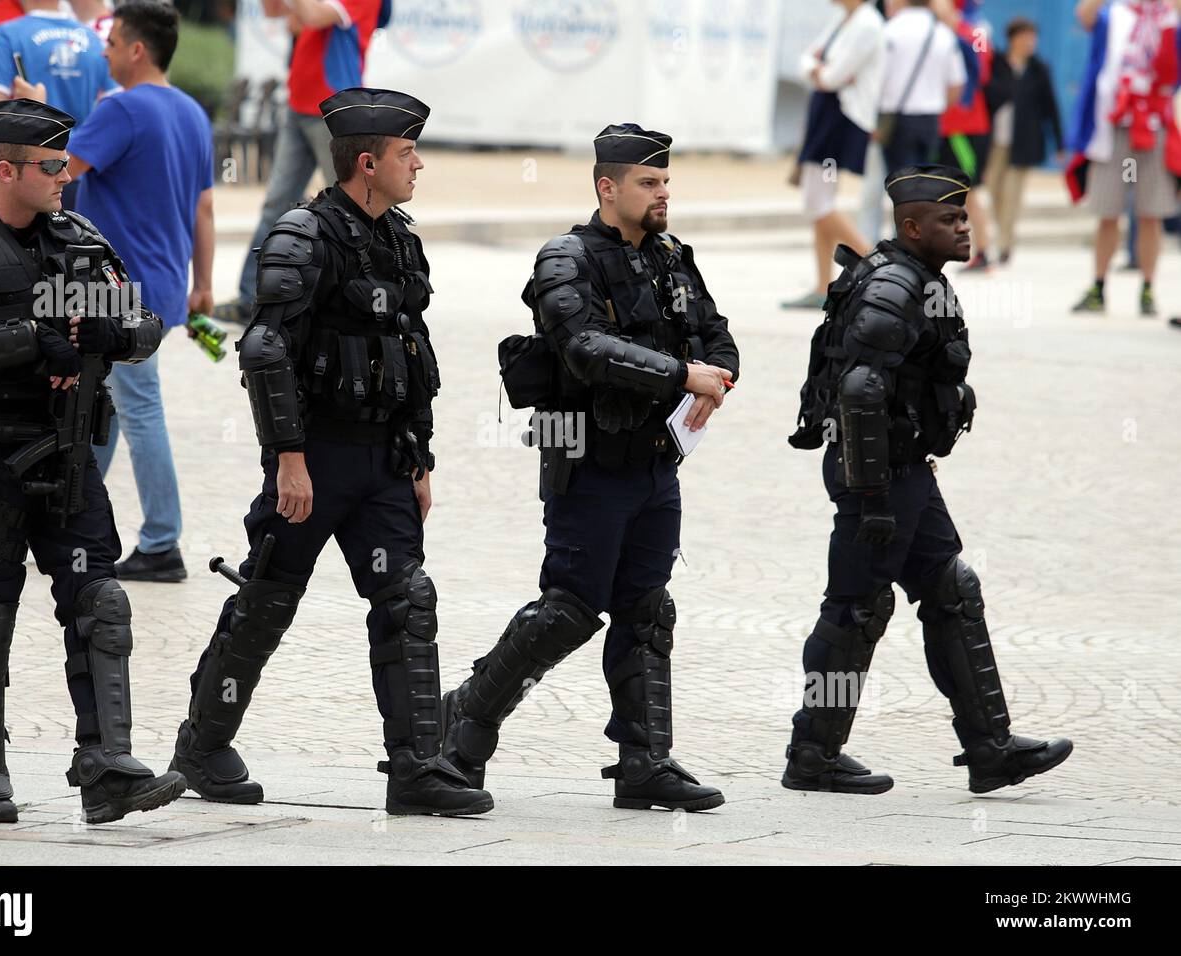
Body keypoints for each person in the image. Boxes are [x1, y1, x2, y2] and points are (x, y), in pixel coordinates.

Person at [170, 87, 493, 818]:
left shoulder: (400, 240)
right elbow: (264, 347)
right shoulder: (302, 236)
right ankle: (202, 745)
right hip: (313, 460)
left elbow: (412, 351)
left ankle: (415, 768)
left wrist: (420, 458)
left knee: (407, 600)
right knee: (266, 600)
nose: (420, 167)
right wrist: (288, 457)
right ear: (368, 162)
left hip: (383, 461)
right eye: (409, 155)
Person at [0, 98, 185, 823]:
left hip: (71, 457)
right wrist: (32, 336)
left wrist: (101, 336)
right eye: (52, 166)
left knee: (102, 606)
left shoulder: (78, 240)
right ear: (4, 169)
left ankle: (106, 767)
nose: (66, 176)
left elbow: (144, 324)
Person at [439, 125, 739, 813]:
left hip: (657, 465)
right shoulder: (565, 258)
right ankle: (465, 726)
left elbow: (716, 335)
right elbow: (583, 348)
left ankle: (645, 763)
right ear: (608, 187)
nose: (662, 193)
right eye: (647, 183)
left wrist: (718, 377)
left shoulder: (670, 257)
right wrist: (682, 374)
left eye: (666, 182)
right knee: (570, 608)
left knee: (647, 607)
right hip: (588, 461)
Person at [783, 164, 1073, 795]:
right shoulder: (894, 287)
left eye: (965, 216)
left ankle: (991, 749)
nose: (965, 229)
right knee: (857, 608)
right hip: (879, 474)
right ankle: (812, 755)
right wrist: (873, 494)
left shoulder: (921, 278)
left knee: (951, 589)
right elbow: (858, 391)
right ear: (912, 227)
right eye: (950, 220)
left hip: (905, 468)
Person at [66, 1, 214, 582]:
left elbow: (59, 170)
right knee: (107, 402)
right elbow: (205, 205)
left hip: (119, 289)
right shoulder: (192, 113)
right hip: (167, 285)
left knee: (136, 404)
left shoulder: (122, 110)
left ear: (136, 49)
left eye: (111, 42)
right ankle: (72, 512)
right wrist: (203, 284)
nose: (103, 52)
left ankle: (161, 541)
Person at [214, 0, 384, 325]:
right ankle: (251, 297)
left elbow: (311, 15)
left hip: (335, 110)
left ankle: (369, 297)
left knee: (351, 209)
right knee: (277, 204)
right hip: (299, 103)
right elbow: (278, 13)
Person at [0, 0, 116, 213]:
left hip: (32, 176)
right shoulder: (93, 39)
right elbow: (113, 112)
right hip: (79, 175)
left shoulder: (8, 34)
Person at [1069, 0, 1181, 317]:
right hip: (1115, 125)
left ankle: (1147, 289)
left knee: (1151, 213)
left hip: (1155, 125)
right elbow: (1085, 15)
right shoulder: (1115, 14)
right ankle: (1098, 287)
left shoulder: (1169, 16)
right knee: (1108, 210)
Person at [782, 0, 886, 310]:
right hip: (827, 117)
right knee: (819, 201)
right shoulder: (844, 19)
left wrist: (820, 69)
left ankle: (876, 265)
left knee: (820, 203)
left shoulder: (867, 23)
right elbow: (807, 62)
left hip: (838, 123)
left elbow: (832, 77)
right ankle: (822, 284)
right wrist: (818, 68)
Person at [983, 16, 1063, 265]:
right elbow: (987, 94)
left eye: (1032, 38)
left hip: (1024, 141)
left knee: (1012, 194)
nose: (1030, 43)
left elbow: (1051, 107)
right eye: (1025, 37)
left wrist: (1059, 144)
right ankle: (1002, 236)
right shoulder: (997, 64)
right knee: (994, 190)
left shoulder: (1039, 69)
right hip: (996, 141)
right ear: (1013, 39)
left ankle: (1005, 245)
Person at [936, 0, 994, 272]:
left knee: (969, 191)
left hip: (965, 128)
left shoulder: (975, 31)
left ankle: (983, 250)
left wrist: (957, 30)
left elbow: (982, 69)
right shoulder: (938, 31)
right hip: (945, 125)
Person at [876, 0, 965, 174]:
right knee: (924, 179)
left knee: (900, 180)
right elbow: (957, 84)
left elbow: (876, 78)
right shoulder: (943, 34)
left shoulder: (889, 31)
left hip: (895, 118)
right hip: (930, 119)